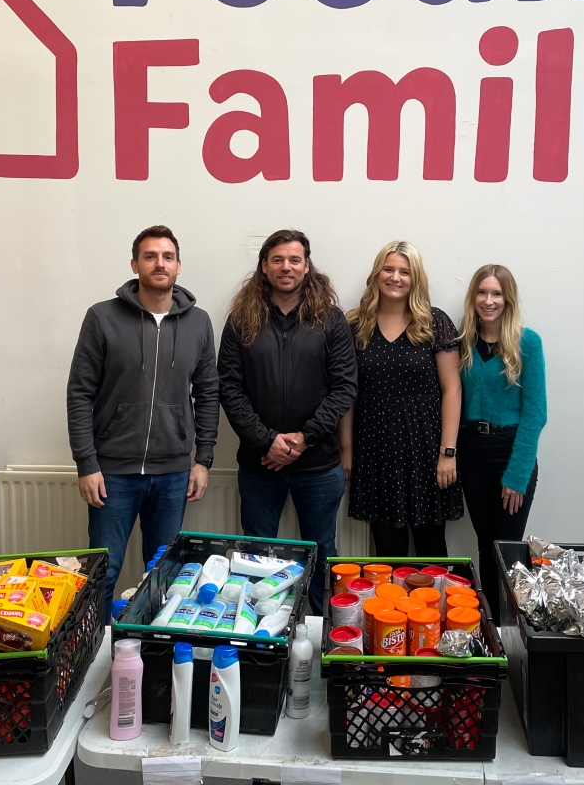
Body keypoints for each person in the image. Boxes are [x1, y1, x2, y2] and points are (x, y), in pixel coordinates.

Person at [66, 226, 219, 608]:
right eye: (150, 256)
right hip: (112, 473)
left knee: (163, 574)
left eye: (167, 256)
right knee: (103, 572)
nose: (159, 263)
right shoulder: (102, 317)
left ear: (179, 266)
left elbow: (208, 393)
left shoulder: (198, 323)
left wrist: (202, 460)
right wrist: (87, 463)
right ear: (135, 264)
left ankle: (150, 657)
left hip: (172, 473)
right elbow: (79, 393)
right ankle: (93, 654)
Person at [218, 229, 357, 614]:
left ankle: (324, 632)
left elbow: (345, 387)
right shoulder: (241, 320)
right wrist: (268, 441)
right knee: (256, 557)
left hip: (319, 464)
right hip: (260, 465)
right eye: (277, 259)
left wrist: (304, 438)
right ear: (264, 266)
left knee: (322, 553)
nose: (286, 267)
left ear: (307, 266)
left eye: (295, 260)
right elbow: (229, 388)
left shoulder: (330, 320)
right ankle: (264, 635)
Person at [340, 241, 462, 557]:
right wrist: (347, 450)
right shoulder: (354, 324)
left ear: (415, 278)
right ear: (377, 274)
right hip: (375, 450)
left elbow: (452, 390)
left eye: (404, 272)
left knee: (432, 552)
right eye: (389, 269)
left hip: (426, 450)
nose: (395, 277)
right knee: (388, 553)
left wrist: (447, 452)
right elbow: (347, 393)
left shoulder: (435, 321)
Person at [458, 264, 547, 623]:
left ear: (508, 299)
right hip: (472, 453)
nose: (489, 301)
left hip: (512, 453)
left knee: (506, 549)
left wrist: (517, 474)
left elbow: (536, 413)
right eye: (482, 293)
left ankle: (513, 631)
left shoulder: (527, 342)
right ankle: (489, 627)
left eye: (496, 294)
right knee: (484, 545)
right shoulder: (463, 341)